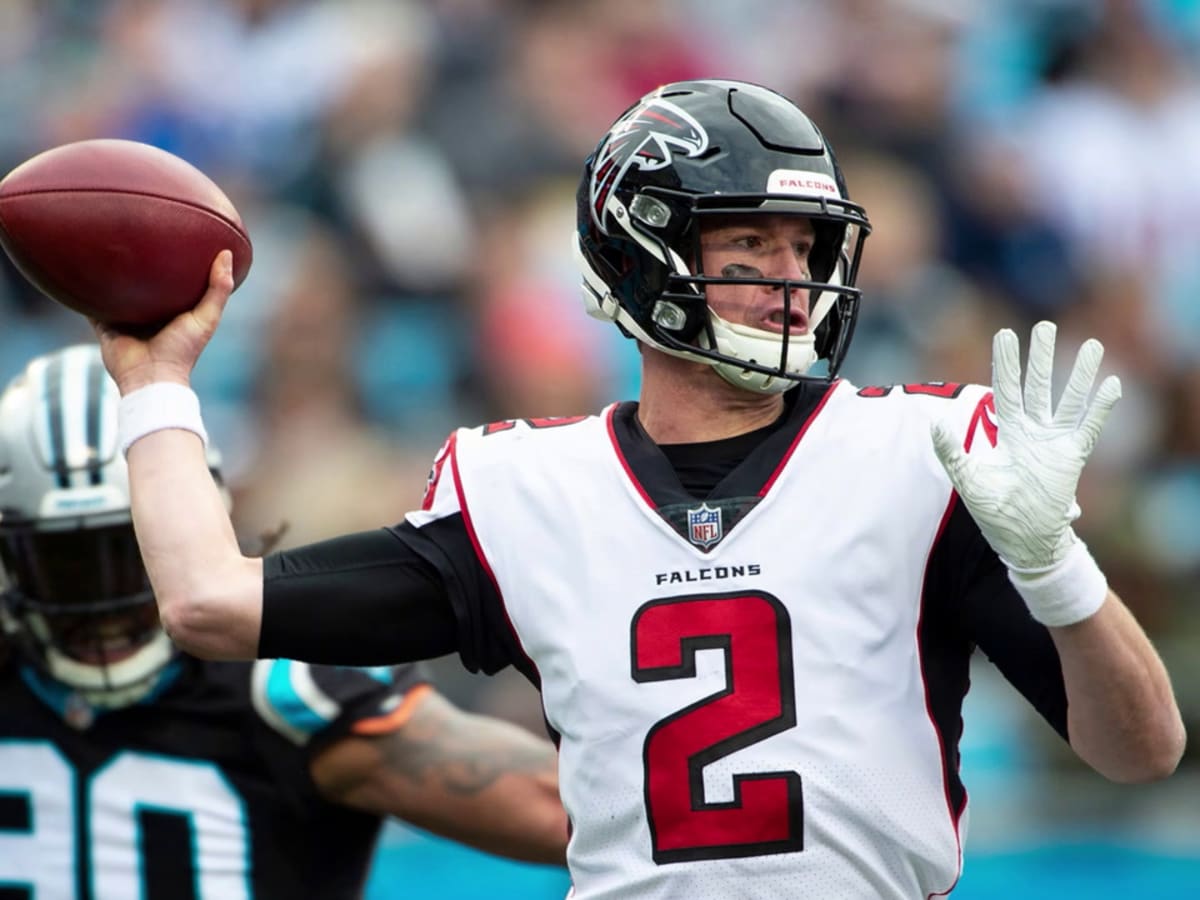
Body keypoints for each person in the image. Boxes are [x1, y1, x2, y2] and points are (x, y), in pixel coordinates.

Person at [89, 79, 1185, 898]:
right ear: (638, 253)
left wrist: (1058, 569)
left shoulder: (925, 452)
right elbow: (206, 604)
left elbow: (1140, 751)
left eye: (807, 248)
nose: (792, 280)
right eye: (749, 244)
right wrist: (155, 382)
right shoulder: (522, 490)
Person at [0, 344, 567, 898]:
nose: (103, 607)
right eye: (68, 568)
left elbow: (562, 810)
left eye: (132, 556)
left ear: (192, 530)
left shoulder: (285, 697)